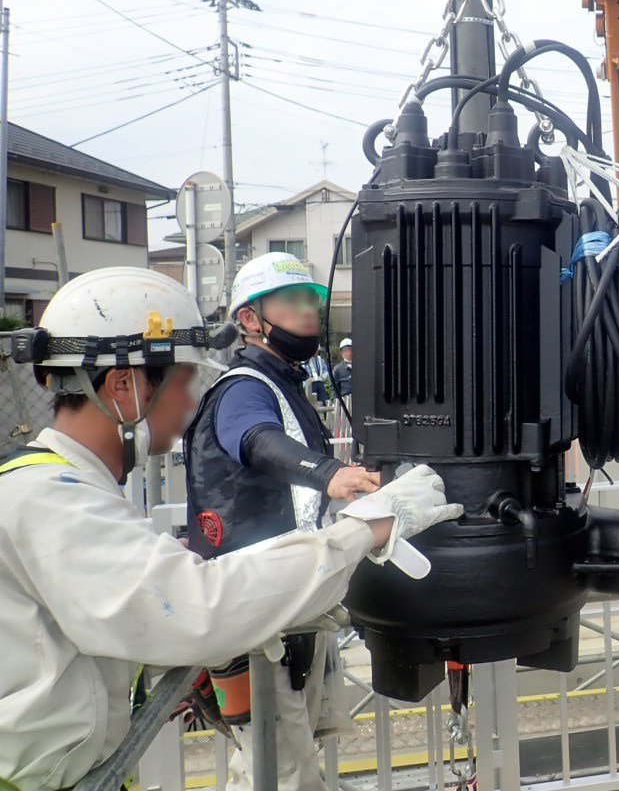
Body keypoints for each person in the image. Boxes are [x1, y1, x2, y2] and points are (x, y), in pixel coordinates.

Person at [0, 267, 462, 791]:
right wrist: (365, 528)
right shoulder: (51, 499)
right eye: (183, 381)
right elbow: (199, 607)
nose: (194, 402)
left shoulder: (61, 489)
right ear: (123, 385)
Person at [184, 253, 382, 791]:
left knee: (274, 767)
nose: (307, 310)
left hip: (284, 604)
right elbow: (255, 440)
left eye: (310, 299)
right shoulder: (244, 387)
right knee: (279, 772)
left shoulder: (283, 381)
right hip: (256, 611)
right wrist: (328, 472)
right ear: (250, 319)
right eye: (290, 300)